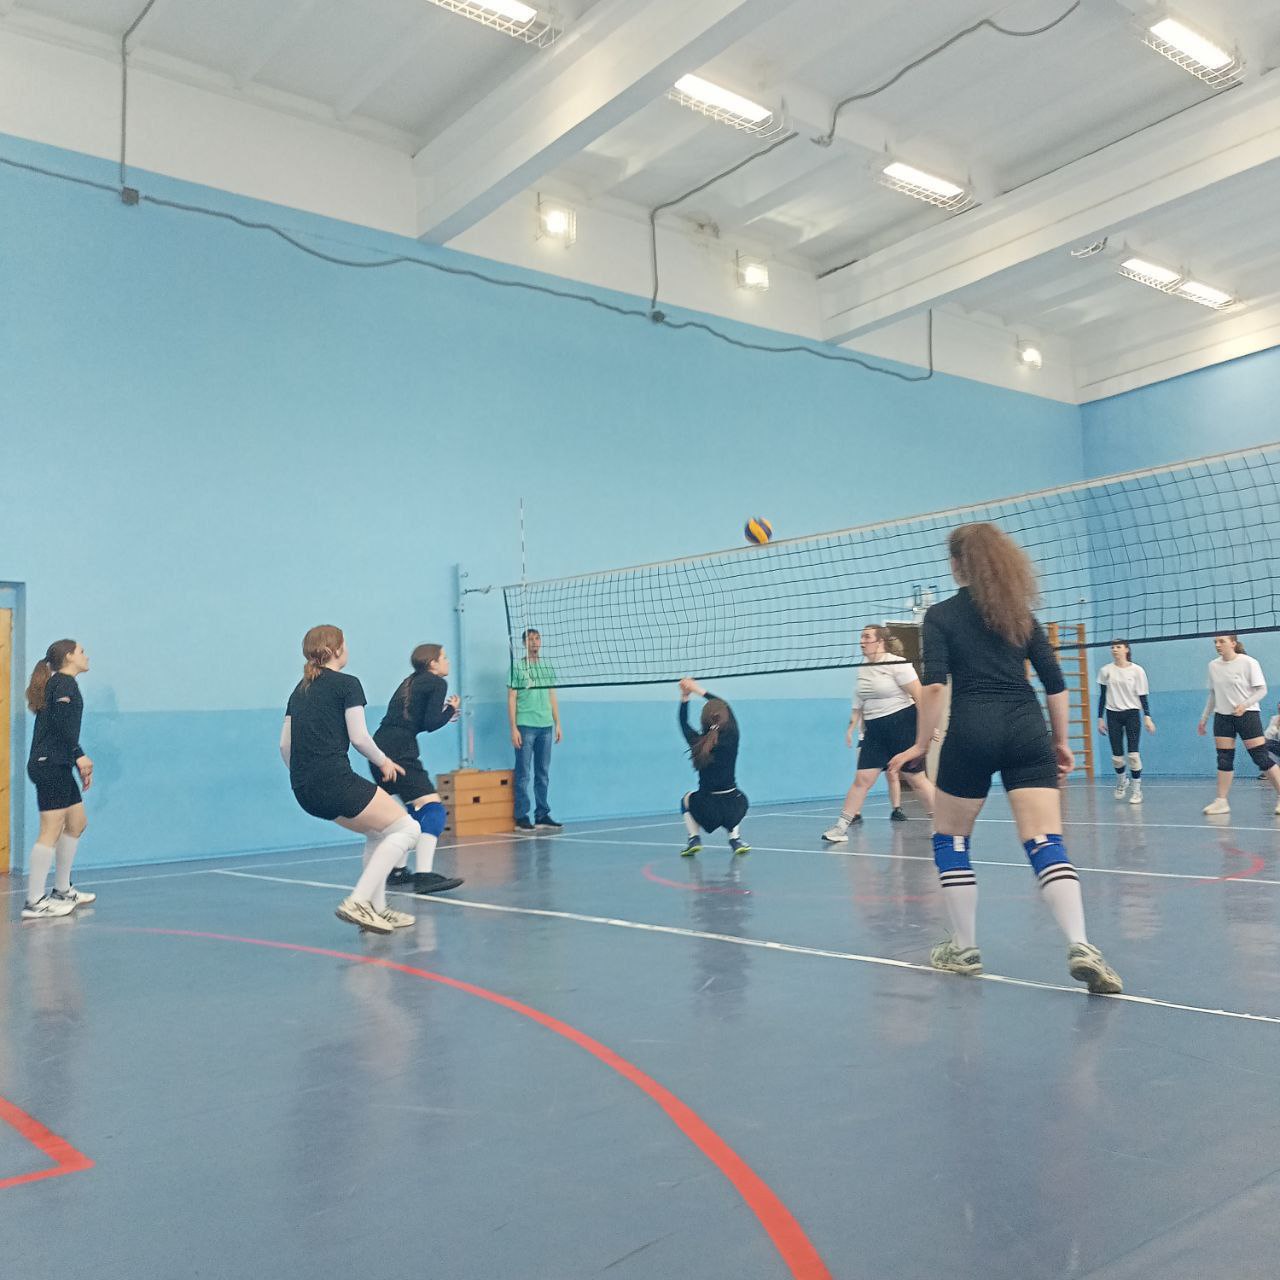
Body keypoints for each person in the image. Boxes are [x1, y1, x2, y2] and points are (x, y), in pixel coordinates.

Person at [888, 522, 1122, 994]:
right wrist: (1061, 741)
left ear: (957, 564)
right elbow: (1055, 685)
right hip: (1026, 729)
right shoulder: (1021, 615)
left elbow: (935, 688)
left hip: (972, 731)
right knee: (1044, 839)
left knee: (951, 839)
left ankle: (964, 948)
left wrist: (920, 744)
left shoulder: (940, 616)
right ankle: (1080, 944)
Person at [281, 625, 418, 934]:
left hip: (303, 789)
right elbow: (359, 737)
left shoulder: (299, 690)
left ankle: (377, 910)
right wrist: (384, 761)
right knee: (408, 828)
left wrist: (301, 774)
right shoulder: (348, 684)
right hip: (334, 781)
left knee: (378, 831)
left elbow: (284, 746)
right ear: (337, 649)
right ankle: (358, 901)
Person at [823, 624, 936, 841]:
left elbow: (920, 696)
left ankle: (941, 825)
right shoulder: (863, 668)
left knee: (916, 779)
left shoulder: (897, 664)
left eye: (867, 637)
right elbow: (860, 702)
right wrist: (852, 727)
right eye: (861, 637)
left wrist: (928, 727)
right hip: (875, 731)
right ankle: (840, 828)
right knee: (862, 779)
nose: (862, 641)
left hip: (902, 725)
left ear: (880, 641)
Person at [370, 644, 464, 896]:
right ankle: (423, 875)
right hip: (400, 750)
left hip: (379, 747)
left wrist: (445, 714)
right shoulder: (437, 683)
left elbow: (415, 721)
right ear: (433, 663)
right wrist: (451, 709)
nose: (447, 661)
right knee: (432, 809)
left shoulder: (410, 681)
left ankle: (397, 871)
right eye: (444, 657)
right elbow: (431, 723)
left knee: (404, 816)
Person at [22, 639, 97, 920]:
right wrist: (80, 755)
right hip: (49, 765)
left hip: (59, 764)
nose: (86, 656)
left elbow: (61, 727)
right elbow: (60, 725)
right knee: (50, 830)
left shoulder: (63, 684)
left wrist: (75, 760)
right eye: (81, 651)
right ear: (69, 656)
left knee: (77, 822)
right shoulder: (63, 683)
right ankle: (34, 901)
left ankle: (62, 891)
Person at [1196, 635, 1280, 816]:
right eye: (1215, 642)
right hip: (1223, 717)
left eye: (1222, 641)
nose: (1218, 645)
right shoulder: (1213, 666)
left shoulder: (1249, 663)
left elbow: (1262, 690)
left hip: (1247, 715)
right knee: (1224, 758)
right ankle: (1221, 801)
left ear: (1233, 643)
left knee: (1260, 757)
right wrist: (1204, 718)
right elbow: (1213, 694)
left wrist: (1245, 705)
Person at [678, 678, 749, 856]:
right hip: (733, 807)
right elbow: (725, 706)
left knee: (686, 799)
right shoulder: (732, 737)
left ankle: (694, 838)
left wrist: (685, 697)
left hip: (706, 808)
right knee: (739, 797)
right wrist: (697, 689)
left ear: (703, 720)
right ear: (725, 718)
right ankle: (735, 839)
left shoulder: (697, 742)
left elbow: (683, 723)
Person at [508, 628, 563, 832]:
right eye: (530, 639)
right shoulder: (517, 667)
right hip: (525, 725)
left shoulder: (547, 667)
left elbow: (552, 695)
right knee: (523, 773)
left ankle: (542, 815)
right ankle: (521, 816)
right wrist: (513, 728)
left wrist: (558, 723)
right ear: (524, 643)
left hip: (546, 726)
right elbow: (511, 698)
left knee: (543, 773)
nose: (534, 642)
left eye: (537, 638)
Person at [1095, 640, 1156, 805]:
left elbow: (1142, 696)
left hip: (1132, 714)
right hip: (1112, 715)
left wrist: (1147, 716)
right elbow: (1102, 696)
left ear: (1126, 649)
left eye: (1118, 647)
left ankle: (1137, 790)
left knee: (1133, 756)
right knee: (1117, 758)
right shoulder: (1106, 671)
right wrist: (1100, 718)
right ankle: (1122, 781)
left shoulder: (1137, 671)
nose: (1115, 649)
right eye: (1112, 647)